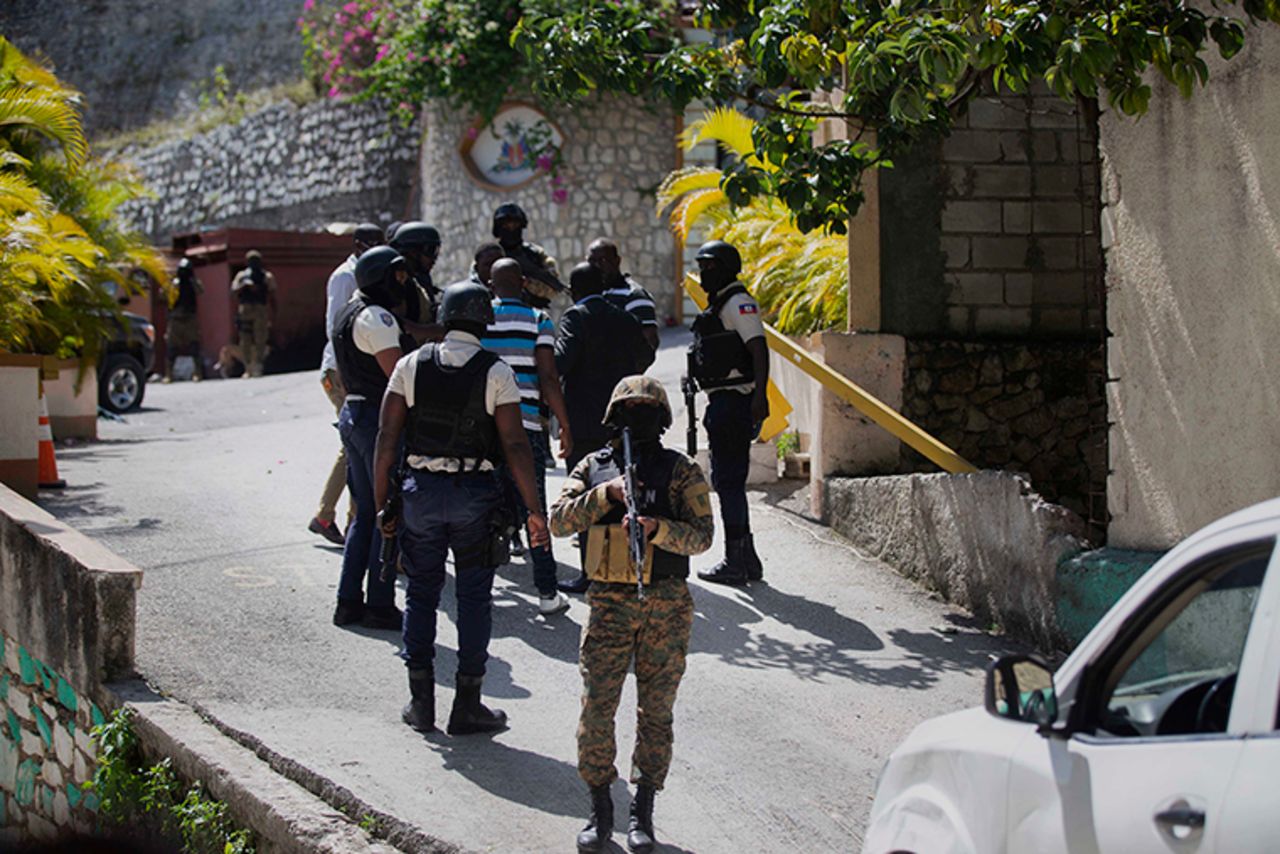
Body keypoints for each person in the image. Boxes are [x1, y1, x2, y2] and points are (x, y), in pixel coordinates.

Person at [373, 281, 549, 736]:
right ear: (484, 323)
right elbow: (514, 445)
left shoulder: (410, 366)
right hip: (475, 497)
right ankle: (467, 705)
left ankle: (422, 704)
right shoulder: (497, 372)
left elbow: (387, 440)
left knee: (421, 594)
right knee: (473, 598)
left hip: (420, 494)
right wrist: (534, 511)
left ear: (446, 317)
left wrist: (381, 506)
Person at [548, 375, 714, 854]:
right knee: (597, 707)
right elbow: (558, 522)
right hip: (609, 604)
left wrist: (656, 527)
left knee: (656, 713)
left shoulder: (681, 471)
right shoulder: (593, 468)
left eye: (646, 411)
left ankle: (642, 810)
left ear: (660, 419)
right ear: (613, 418)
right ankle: (600, 808)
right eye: (629, 411)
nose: (636, 420)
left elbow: (703, 536)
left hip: (665, 603)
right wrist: (608, 495)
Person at [481, 258, 574, 616]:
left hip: (485, 432)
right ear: (522, 283)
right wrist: (564, 424)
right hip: (528, 430)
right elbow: (549, 378)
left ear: (491, 285)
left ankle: (482, 589)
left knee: (484, 510)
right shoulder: (539, 320)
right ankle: (547, 593)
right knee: (534, 509)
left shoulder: (481, 318)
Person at [554, 263, 654, 594]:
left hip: (583, 421)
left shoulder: (574, 317)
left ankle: (589, 571)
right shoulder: (625, 318)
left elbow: (561, 362)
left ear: (573, 290)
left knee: (587, 495)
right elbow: (645, 357)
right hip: (620, 419)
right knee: (624, 491)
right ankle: (626, 565)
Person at [331, 246, 410, 630]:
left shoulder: (349, 310)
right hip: (378, 421)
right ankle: (380, 604)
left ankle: (348, 602)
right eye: (396, 274)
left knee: (365, 512)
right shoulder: (377, 318)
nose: (402, 282)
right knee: (385, 512)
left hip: (355, 414)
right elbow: (398, 376)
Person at [688, 240, 770, 586]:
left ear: (725, 267)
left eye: (709, 267)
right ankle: (746, 558)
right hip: (724, 401)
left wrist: (760, 398)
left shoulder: (738, 303)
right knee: (728, 481)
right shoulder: (723, 303)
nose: (704, 274)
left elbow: (759, 350)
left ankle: (735, 561)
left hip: (735, 401)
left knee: (729, 483)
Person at [310, 223, 384, 546]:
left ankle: (332, 516)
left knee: (358, 442)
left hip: (354, 369)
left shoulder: (375, 270)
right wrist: (348, 372)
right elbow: (335, 327)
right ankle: (347, 519)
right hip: (340, 370)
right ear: (356, 245)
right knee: (358, 440)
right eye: (370, 244)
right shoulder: (345, 276)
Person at [587, 238, 660, 351]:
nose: (597, 266)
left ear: (617, 261)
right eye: (592, 261)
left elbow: (649, 343)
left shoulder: (634, 295)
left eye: (603, 260)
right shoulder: (591, 294)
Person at [491, 202, 564, 308]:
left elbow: (552, 289)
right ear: (498, 229)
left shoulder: (536, 253)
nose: (511, 229)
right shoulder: (489, 255)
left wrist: (528, 282)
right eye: (506, 226)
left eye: (515, 225)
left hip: (531, 313)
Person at [388, 221, 445, 339]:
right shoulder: (394, 283)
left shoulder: (417, 282)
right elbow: (394, 324)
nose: (434, 259)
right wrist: (438, 331)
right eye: (430, 250)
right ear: (412, 252)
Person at [229, 249, 277, 377]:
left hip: (260, 309)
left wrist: (273, 312)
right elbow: (233, 291)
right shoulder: (241, 276)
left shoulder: (266, 276)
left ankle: (258, 365)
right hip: (246, 309)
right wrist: (244, 286)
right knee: (245, 339)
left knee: (260, 339)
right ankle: (248, 367)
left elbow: (272, 294)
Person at [163, 258, 203, 383]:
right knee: (171, 348)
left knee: (194, 346)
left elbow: (201, 291)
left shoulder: (193, 283)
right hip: (176, 318)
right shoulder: (174, 283)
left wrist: (193, 281)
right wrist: (172, 286)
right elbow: (162, 294)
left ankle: (197, 373)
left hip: (190, 318)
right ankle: (168, 374)